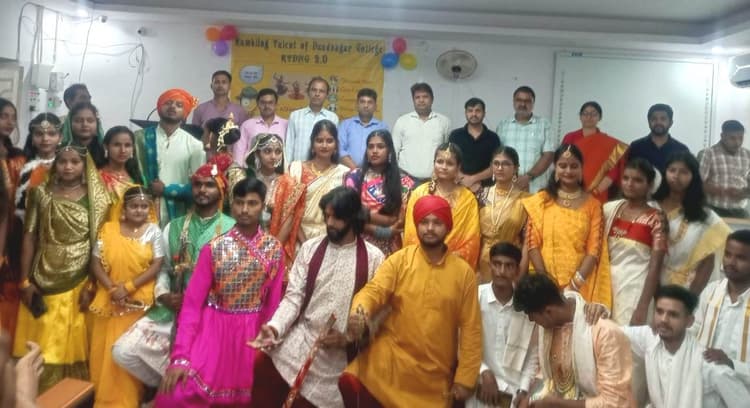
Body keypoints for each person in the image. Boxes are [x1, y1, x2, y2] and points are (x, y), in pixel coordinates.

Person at [341, 194, 481, 407]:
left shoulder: (463, 274)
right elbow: (374, 291)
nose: (430, 228)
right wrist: (360, 312)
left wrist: (465, 379)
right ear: (416, 225)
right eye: (424, 222)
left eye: (437, 223)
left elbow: (471, 329)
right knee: (352, 384)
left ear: (448, 227)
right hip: (389, 367)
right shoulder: (400, 260)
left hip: (432, 380)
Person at [250, 187, 384, 408]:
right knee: (262, 365)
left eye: (336, 218)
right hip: (300, 344)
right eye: (326, 216)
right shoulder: (310, 249)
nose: (329, 223)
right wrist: (274, 328)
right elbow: (293, 299)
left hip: (338, 360)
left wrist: (348, 338)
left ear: (353, 217)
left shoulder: (374, 258)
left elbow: (378, 316)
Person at [156, 177, 284, 406]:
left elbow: (272, 304)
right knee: (175, 395)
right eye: (240, 202)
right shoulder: (213, 249)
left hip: (252, 335)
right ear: (231, 205)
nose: (244, 210)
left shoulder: (274, 249)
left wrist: (266, 342)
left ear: (263, 206)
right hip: (213, 330)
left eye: (252, 203)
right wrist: (181, 356)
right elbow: (192, 305)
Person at [112, 161, 235, 391]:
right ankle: (170, 388)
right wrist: (164, 295)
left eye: (209, 185)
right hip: (172, 310)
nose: (202, 190)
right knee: (123, 350)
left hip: (210, 314)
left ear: (221, 191)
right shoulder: (174, 226)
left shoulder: (233, 229)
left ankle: (177, 390)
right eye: (197, 184)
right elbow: (164, 268)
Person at [13, 144, 110, 391]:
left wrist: (93, 283)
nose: (68, 167)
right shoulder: (40, 193)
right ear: (55, 164)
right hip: (41, 276)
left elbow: (101, 243)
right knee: (43, 341)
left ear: (84, 166)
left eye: (74, 162)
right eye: (63, 161)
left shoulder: (97, 198)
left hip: (81, 277)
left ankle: (71, 396)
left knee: (74, 340)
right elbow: (29, 236)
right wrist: (24, 281)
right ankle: (34, 396)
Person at [88, 186, 164, 407]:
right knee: (104, 354)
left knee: (128, 353)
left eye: (144, 206)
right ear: (124, 208)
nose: (139, 210)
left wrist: (128, 287)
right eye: (134, 206)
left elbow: (157, 264)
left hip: (137, 302)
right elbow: (95, 262)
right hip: (109, 298)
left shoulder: (154, 231)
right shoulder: (109, 229)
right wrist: (113, 289)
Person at [512, 273, 634, 407]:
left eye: (531, 315)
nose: (531, 320)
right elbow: (547, 378)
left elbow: (615, 401)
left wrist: (558, 404)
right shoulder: (548, 329)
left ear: (549, 312)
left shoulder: (604, 333)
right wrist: (528, 397)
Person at [621, 285, 750, 407]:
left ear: (689, 321)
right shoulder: (650, 338)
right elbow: (613, 331)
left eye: (673, 315)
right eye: (659, 312)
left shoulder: (709, 366)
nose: (663, 319)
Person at [522, 144, 612, 307]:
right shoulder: (541, 200)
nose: (568, 171)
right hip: (543, 285)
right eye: (562, 166)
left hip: (580, 287)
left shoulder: (593, 206)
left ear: (581, 168)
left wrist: (572, 287)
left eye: (574, 166)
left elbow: (593, 251)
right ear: (555, 168)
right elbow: (532, 243)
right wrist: (546, 283)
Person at [468, 243, 539, 408]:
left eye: (508, 266)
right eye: (497, 264)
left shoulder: (526, 307)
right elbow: (463, 344)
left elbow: (532, 355)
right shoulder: (475, 298)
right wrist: (484, 371)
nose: (501, 271)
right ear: (490, 266)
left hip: (513, 395)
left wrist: (523, 390)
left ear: (517, 270)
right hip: (479, 389)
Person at [652, 151, 731, 294]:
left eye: (684, 172)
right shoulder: (651, 207)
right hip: (648, 280)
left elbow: (708, 260)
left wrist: (692, 296)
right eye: (672, 170)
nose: (676, 176)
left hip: (686, 288)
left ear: (693, 176)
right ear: (665, 173)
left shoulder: (705, 216)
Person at [603, 158, 666, 325]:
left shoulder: (656, 218)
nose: (630, 184)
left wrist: (642, 307)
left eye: (638, 180)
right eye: (626, 178)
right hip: (605, 286)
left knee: (628, 337)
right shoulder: (610, 210)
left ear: (649, 185)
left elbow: (655, 267)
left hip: (635, 289)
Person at [403, 143, 481, 268]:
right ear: (434, 163)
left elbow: (471, 239)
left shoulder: (468, 199)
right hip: (420, 263)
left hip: (454, 265)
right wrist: (426, 256)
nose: (444, 167)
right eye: (440, 162)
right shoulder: (419, 193)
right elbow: (411, 233)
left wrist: (447, 258)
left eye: (450, 163)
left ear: (458, 167)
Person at [134, 88, 204, 225]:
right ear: (159, 107)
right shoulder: (139, 138)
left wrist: (167, 190)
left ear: (185, 113)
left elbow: (199, 184)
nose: (172, 107)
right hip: (141, 208)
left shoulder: (194, 145)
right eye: (168, 103)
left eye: (179, 105)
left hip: (179, 211)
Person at [692, 230, 750, 390]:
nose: (731, 262)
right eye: (728, 255)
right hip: (702, 383)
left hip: (743, 390)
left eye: (741, 258)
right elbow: (694, 330)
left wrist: (731, 364)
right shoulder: (711, 291)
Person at [344, 130, 414, 257]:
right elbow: (349, 215)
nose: (374, 151)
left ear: (389, 151)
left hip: (391, 247)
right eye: (370, 147)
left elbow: (399, 220)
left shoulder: (404, 181)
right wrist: (383, 230)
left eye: (380, 146)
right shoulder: (355, 177)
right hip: (359, 244)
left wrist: (364, 214)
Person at [246, 133, 305, 269]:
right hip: (248, 241)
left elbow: (288, 222)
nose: (273, 156)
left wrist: (271, 251)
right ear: (257, 153)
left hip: (277, 245)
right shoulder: (248, 180)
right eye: (267, 151)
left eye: (278, 152)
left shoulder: (288, 183)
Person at [289, 119, 349, 244]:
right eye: (319, 140)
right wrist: (305, 244)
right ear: (312, 144)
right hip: (299, 238)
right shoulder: (296, 169)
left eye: (329, 141)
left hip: (332, 238)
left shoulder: (344, 173)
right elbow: (290, 211)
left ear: (336, 145)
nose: (324, 145)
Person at [477, 147, 529, 283]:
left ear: (516, 168)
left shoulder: (526, 200)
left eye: (506, 164)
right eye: (496, 163)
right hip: (483, 261)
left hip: (511, 261)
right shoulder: (481, 195)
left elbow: (528, 241)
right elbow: (474, 234)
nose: (500, 168)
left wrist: (520, 273)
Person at [562, 101, 628, 203]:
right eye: (585, 113)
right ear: (580, 116)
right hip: (571, 189)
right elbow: (562, 164)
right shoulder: (570, 137)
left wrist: (594, 192)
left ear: (600, 117)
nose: (589, 117)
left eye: (593, 114)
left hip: (597, 194)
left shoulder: (608, 143)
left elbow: (612, 173)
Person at [496, 86, 553, 193]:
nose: (522, 104)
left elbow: (548, 156)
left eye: (527, 101)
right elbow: (498, 156)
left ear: (533, 103)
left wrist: (528, 177)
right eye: (519, 100)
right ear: (513, 102)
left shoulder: (544, 125)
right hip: (509, 186)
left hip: (536, 188)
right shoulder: (503, 125)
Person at [0, 98, 25, 341]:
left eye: (13, 117)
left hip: (14, 230)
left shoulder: (18, 157)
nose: (9, 122)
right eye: (3, 116)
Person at [392, 82, 451, 182]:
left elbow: (447, 152)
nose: (421, 100)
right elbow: (393, 151)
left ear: (432, 99)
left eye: (425, 97)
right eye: (417, 97)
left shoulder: (444, 122)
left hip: (435, 180)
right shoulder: (402, 121)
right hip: (406, 180)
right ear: (413, 100)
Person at [15, 113, 62, 220]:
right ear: (32, 138)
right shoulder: (19, 165)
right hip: (23, 223)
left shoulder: (67, 166)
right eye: (39, 134)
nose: (45, 138)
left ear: (60, 138)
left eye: (51, 134)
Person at [449, 97, 501, 193]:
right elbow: (450, 161)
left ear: (484, 113)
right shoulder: (455, 135)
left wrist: (473, 179)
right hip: (459, 187)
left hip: (485, 189)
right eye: (470, 111)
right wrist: (465, 181)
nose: (474, 114)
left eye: (478, 111)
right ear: (465, 113)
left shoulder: (493, 138)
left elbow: (496, 165)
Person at [700, 120, 750, 218]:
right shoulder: (708, 154)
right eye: (732, 138)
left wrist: (744, 193)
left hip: (740, 209)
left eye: (741, 138)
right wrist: (720, 191)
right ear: (722, 136)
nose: (737, 143)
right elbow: (697, 183)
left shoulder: (747, 155)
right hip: (714, 209)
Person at [285, 77, 339, 162]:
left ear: (327, 95)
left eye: (321, 91)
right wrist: (288, 167)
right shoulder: (295, 116)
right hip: (298, 167)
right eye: (314, 90)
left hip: (323, 167)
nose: (317, 94)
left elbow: (334, 146)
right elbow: (289, 145)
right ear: (308, 92)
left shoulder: (333, 118)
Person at [100, 126, 146, 222]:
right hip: (106, 228)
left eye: (127, 145)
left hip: (134, 228)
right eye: (117, 145)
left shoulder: (137, 177)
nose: (123, 150)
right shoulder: (97, 177)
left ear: (133, 148)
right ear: (106, 146)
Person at [629, 103, 690, 175]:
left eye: (663, 119)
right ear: (649, 122)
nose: (658, 122)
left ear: (671, 123)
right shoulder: (636, 147)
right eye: (654, 119)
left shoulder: (682, 150)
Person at [235, 88, 288, 166]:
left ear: (276, 104)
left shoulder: (286, 125)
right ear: (258, 104)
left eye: (270, 102)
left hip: (278, 171)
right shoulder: (247, 125)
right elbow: (239, 152)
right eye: (263, 103)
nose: (267, 106)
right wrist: (238, 171)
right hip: (251, 171)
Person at [339, 88, 388, 169]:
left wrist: (370, 172)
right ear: (357, 105)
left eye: (370, 102)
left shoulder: (382, 127)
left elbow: (385, 152)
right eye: (362, 102)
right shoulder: (345, 125)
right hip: (348, 171)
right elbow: (339, 149)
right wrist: (355, 170)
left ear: (375, 106)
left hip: (374, 172)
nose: (366, 106)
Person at [202, 116, 246, 194]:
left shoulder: (233, 170)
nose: (201, 137)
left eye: (203, 133)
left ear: (211, 135)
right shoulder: (230, 164)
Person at [61, 102, 106, 167]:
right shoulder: (60, 151)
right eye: (78, 120)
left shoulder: (106, 151)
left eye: (90, 121)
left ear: (97, 124)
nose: (85, 124)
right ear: (69, 124)